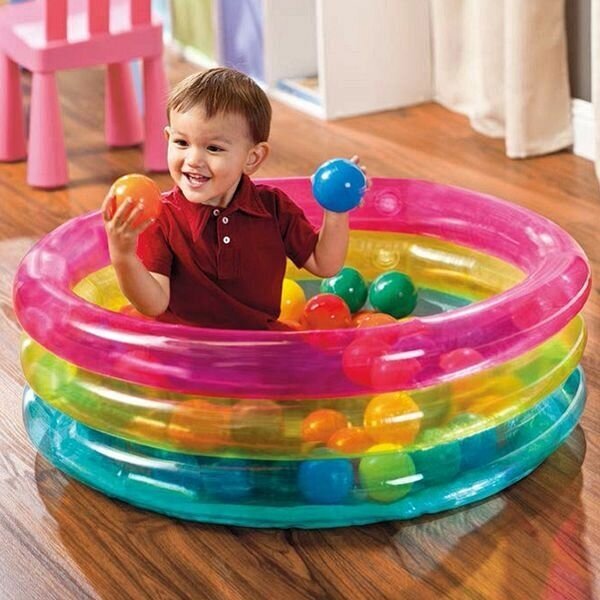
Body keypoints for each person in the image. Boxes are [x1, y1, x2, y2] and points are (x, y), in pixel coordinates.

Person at [102, 67, 366, 330]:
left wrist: (337, 209)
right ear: (168, 138)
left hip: (257, 343)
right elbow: (154, 304)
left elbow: (324, 264)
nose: (193, 160)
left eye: (213, 148)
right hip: (186, 347)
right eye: (182, 143)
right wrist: (123, 256)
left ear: (252, 158)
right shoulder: (161, 217)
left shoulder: (273, 208)